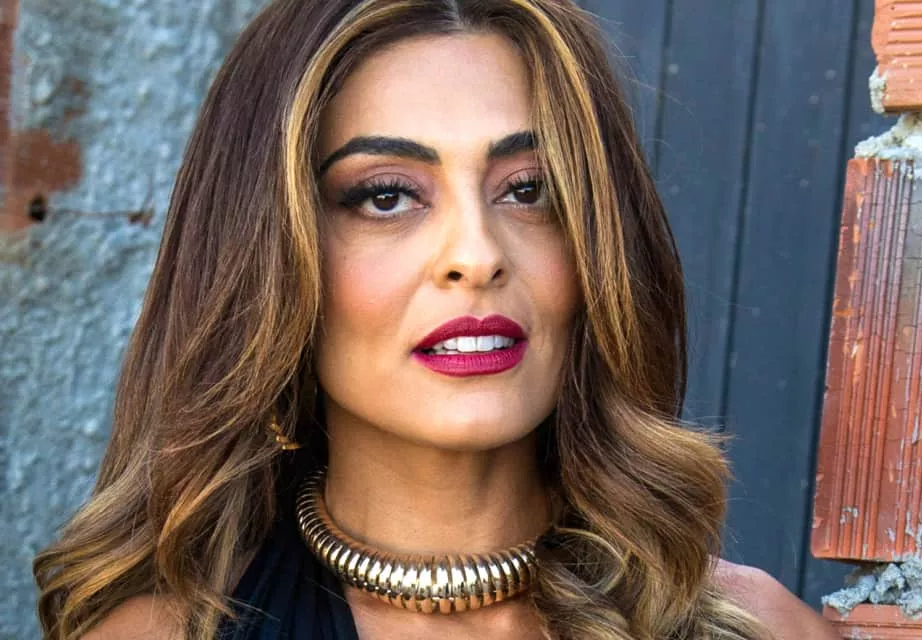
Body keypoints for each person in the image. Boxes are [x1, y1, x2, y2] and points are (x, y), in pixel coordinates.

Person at [33, 1, 840, 638]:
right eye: (386, 196)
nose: (476, 255)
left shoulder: (757, 629)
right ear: (270, 255)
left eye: (528, 190)